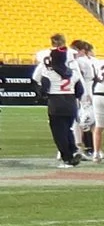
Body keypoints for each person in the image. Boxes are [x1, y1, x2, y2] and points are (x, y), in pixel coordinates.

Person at [36, 34, 81, 167]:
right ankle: (73, 150)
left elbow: (43, 87)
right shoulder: (73, 72)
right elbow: (80, 90)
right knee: (68, 129)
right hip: (71, 101)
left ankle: (67, 158)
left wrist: (43, 95)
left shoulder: (48, 72)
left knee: (58, 132)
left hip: (56, 101)